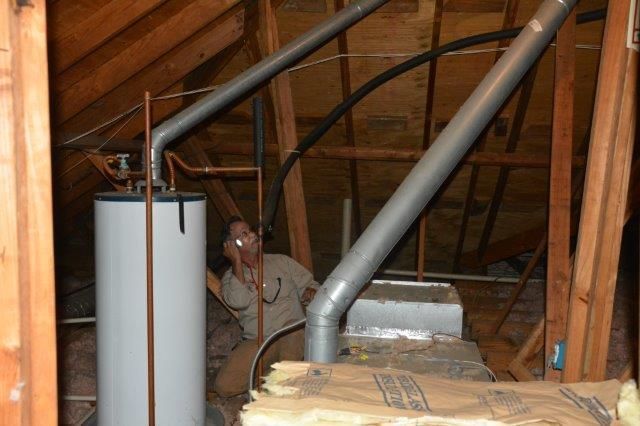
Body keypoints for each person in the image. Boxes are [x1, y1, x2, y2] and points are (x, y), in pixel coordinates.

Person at [213, 216, 319, 397]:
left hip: (290, 332)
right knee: (224, 387)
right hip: (258, 340)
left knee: (290, 348)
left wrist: (310, 292)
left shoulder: (282, 261)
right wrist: (237, 262)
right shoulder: (230, 279)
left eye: (250, 230)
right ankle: (273, 375)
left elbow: (313, 286)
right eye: (244, 234)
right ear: (233, 245)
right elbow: (239, 301)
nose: (253, 235)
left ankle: (281, 385)